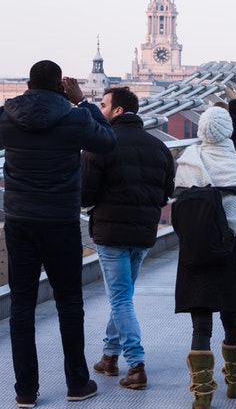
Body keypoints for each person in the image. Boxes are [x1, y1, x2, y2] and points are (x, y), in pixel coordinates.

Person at [0, 60, 116, 406]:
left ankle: (24, 391)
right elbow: (108, 141)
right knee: (69, 303)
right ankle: (77, 384)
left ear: (28, 85)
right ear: (60, 86)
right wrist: (82, 102)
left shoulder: (7, 115)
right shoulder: (74, 116)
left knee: (22, 304)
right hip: (61, 222)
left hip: (20, 221)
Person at [81, 86, 175, 390]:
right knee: (123, 296)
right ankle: (109, 356)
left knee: (120, 297)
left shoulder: (101, 145)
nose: (101, 110)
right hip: (144, 231)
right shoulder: (159, 147)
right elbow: (166, 193)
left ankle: (135, 365)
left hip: (110, 233)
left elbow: (85, 196)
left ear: (118, 111)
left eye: (104, 106)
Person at [174, 106, 236, 408]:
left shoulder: (187, 163)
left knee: (201, 327)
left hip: (194, 256)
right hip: (228, 254)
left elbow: (179, 216)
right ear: (228, 131)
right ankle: (235, 383)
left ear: (201, 131)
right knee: (231, 318)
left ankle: (202, 394)